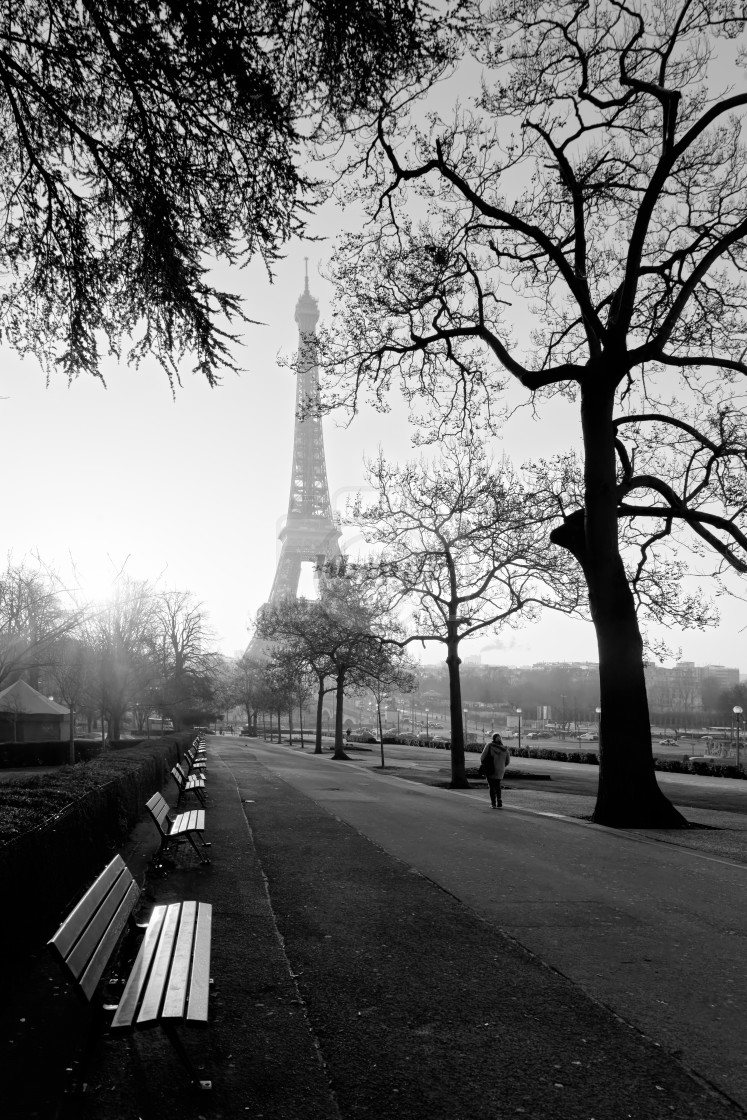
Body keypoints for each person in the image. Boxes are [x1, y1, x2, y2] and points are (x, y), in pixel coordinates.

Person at [480, 733, 510, 808]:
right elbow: (508, 761)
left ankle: (493, 804)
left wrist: (485, 764)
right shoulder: (505, 749)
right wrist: (502, 766)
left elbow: (482, 757)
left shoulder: (489, 745)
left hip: (490, 768)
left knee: (491, 786)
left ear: (493, 738)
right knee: (497, 785)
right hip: (500, 769)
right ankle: (499, 802)